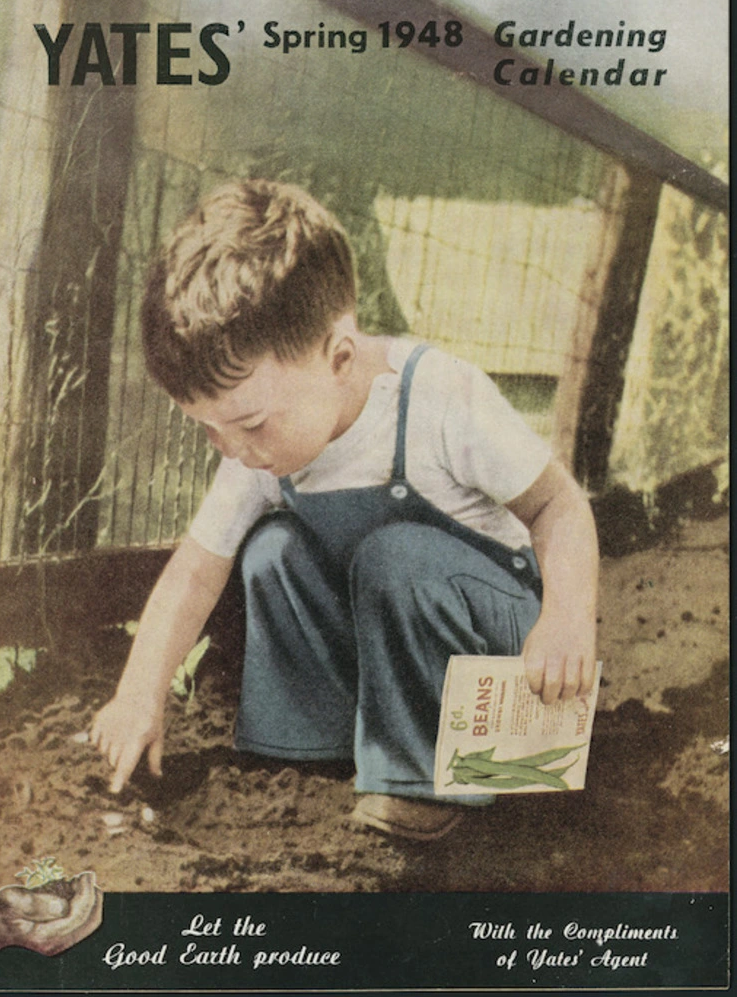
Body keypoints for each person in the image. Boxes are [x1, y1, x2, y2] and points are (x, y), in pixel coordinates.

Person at [91, 179, 599, 841]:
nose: (234, 450)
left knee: (396, 556)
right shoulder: (259, 449)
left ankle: (425, 783)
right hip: (397, 654)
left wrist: (565, 620)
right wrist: (139, 693)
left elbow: (560, 503)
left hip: (505, 669)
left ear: (338, 357)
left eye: (248, 423)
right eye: (207, 429)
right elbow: (195, 570)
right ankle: (310, 758)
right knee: (273, 549)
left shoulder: (439, 399)